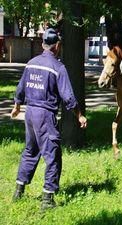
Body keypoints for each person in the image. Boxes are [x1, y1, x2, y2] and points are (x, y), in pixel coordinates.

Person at [10, 28, 87, 210]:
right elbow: (68, 96)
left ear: (44, 44)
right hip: (45, 116)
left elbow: (20, 88)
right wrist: (80, 115)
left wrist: (17, 106)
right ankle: (47, 199)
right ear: (57, 46)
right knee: (53, 156)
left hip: (30, 114)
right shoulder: (58, 67)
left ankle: (18, 191)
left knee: (30, 151)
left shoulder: (31, 63)